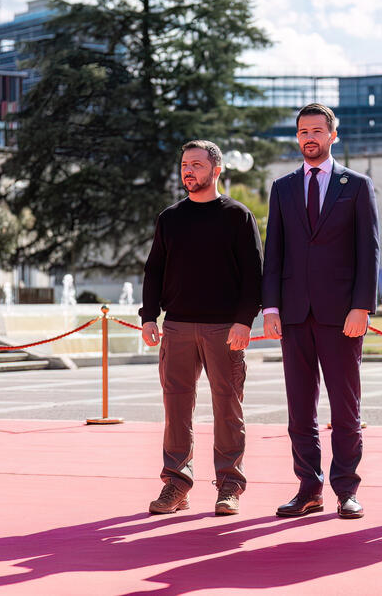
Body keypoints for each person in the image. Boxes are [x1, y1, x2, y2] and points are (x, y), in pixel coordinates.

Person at [262, 103, 379, 519]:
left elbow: (369, 252)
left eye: (316, 130)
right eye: (302, 132)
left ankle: (347, 489)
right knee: (300, 409)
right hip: (294, 315)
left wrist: (362, 306)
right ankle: (308, 488)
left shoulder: (357, 185)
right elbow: (273, 251)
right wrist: (271, 307)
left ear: (333, 135)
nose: (309, 137)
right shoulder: (283, 188)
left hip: (342, 316)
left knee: (346, 408)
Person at [140, 139, 263, 516]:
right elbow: (154, 269)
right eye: (184, 165)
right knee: (176, 408)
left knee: (228, 408)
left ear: (216, 170)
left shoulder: (237, 216)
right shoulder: (170, 218)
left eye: (196, 164)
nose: (188, 171)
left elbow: (254, 276)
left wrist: (244, 320)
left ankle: (229, 485)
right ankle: (177, 484)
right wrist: (149, 316)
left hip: (224, 329)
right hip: (176, 327)